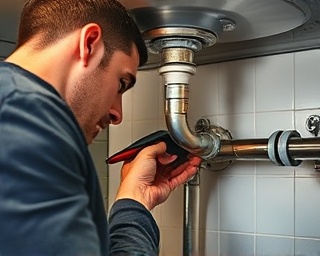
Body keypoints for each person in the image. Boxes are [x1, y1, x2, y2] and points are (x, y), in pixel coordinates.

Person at [0, 0, 202, 255]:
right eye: (121, 83)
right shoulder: (26, 120)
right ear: (89, 44)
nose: (117, 114)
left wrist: (134, 201)